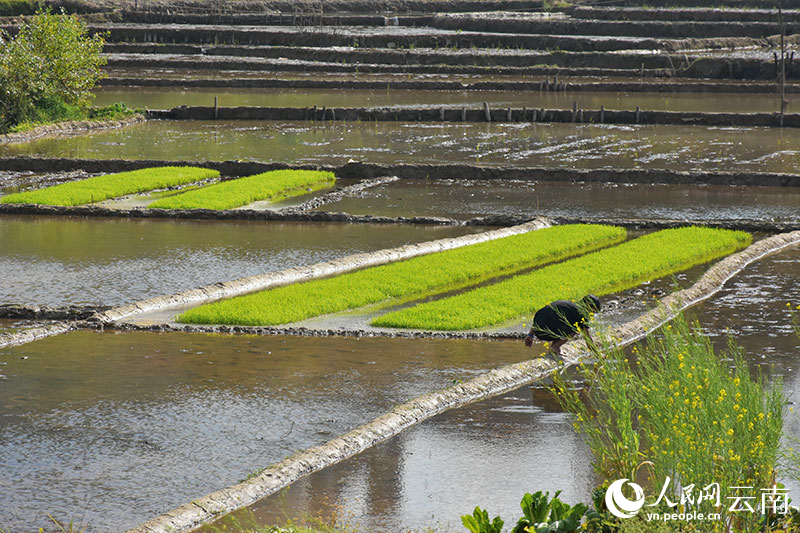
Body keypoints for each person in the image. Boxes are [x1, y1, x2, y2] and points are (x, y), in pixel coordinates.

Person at [524, 294, 601, 356]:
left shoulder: (571, 304)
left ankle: (554, 347)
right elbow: (587, 338)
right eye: (593, 311)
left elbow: (542, 317)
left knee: (564, 322)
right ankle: (555, 347)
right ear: (589, 306)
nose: (592, 314)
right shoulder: (581, 313)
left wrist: (530, 335)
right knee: (576, 327)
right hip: (547, 330)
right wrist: (598, 355)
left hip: (538, 329)